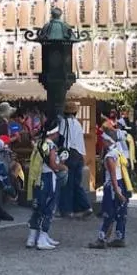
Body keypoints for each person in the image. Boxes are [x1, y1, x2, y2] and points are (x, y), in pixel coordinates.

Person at [88, 125, 131, 249]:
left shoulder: (109, 156)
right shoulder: (118, 152)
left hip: (112, 186)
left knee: (109, 212)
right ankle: (119, 237)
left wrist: (117, 190)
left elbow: (112, 175)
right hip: (121, 183)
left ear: (107, 141)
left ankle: (102, 239)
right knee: (121, 213)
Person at [26, 121, 66, 250]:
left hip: (37, 179)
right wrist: (63, 166)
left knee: (37, 207)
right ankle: (42, 238)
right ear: (54, 133)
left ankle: (32, 238)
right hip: (48, 178)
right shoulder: (51, 146)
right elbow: (54, 164)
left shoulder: (39, 143)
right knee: (48, 208)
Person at [57, 102, 93, 219]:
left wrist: (60, 157)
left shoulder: (64, 122)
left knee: (67, 183)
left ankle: (67, 210)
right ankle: (85, 206)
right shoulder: (78, 123)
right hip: (79, 155)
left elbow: (62, 138)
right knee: (77, 183)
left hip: (69, 154)